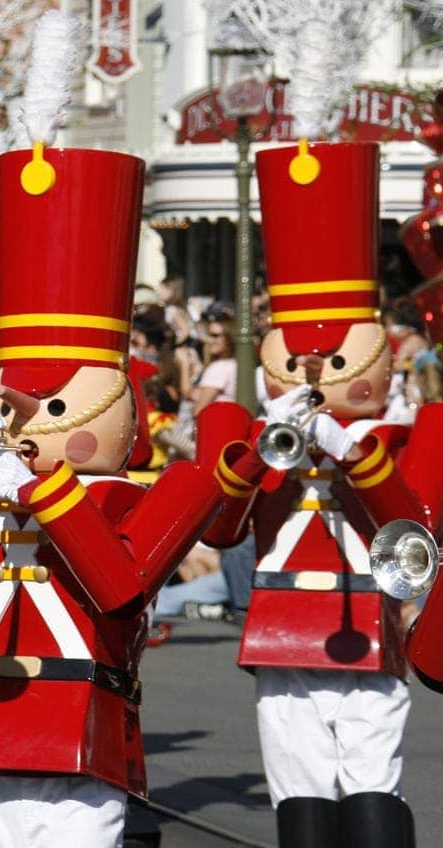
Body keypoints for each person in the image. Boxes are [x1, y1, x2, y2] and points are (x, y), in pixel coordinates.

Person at [0, 143, 225, 848]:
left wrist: (38, 490)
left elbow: (118, 588)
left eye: (54, 407)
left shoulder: (158, 492)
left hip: (82, 721)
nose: (28, 422)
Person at [197, 141, 443, 847]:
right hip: (281, 624)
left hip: (371, 616)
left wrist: (347, 448)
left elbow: (415, 526)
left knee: (370, 771)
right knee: (295, 774)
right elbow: (219, 529)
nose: (318, 376)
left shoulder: (410, 432)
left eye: (336, 362)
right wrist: (258, 447)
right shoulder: (252, 434)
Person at [190, 315, 237, 415]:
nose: (210, 340)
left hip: (218, 425)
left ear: (229, 338)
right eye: (209, 335)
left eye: (215, 336)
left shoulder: (219, 368)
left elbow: (198, 410)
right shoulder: (237, 365)